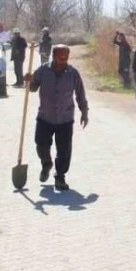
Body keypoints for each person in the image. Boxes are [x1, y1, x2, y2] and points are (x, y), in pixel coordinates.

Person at [27, 45, 89, 192]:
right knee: (41, 144)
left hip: (65, 118)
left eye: (66, 58)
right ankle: (46, 163)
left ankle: (60, 177)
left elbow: (80, 93)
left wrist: (84, 112)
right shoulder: (43, 70)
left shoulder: (73, 73)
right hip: (45, 116)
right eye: (61, 58)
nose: (63, 61)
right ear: (53, 56)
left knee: (64, 150)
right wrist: (29, 80)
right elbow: (33, 88)